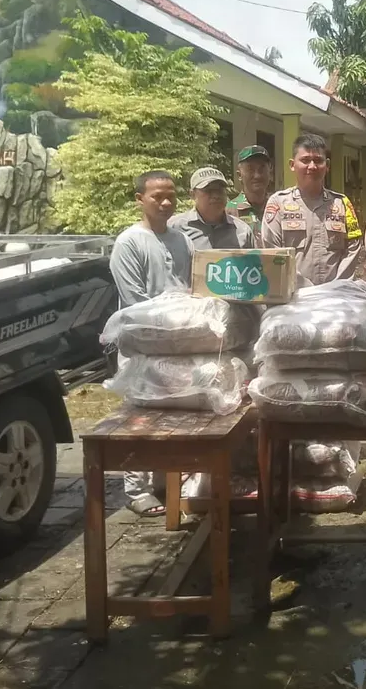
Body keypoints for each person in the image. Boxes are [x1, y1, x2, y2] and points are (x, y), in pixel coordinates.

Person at [108, 170, 195, 517]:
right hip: (142, 347)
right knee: (141, 418)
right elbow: (135, 302)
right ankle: (137, 488)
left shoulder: (182, 240)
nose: (166, 202)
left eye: (171, 195)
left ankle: (167, 480)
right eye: (157, 196)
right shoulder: (129, 243)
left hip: (179, 345)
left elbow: (191, 287)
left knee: (174, 415)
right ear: (139, 200)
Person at [262, 134, 363, 286]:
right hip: (294, 296)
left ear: (327, 165)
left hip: (336, 296)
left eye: (318, 160)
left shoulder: (342, 203)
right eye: (305, 160)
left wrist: (336, 286)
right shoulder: (278, 203)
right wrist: (305, 287)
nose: (312, 166)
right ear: (292, 164)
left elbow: (353, 247)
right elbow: (272, 250)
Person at [170, 166, 255, 249]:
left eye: (220, 190)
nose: (216, 196)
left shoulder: (242, 231)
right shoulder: (174, 227)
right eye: (208, 190)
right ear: (192, 194)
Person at [228, 144, 274, 237]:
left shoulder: (278, 207)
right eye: (250, 169)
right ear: (239, 175)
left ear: (270, 172)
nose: (257, 176)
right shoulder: (229, 212)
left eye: (262, 169)